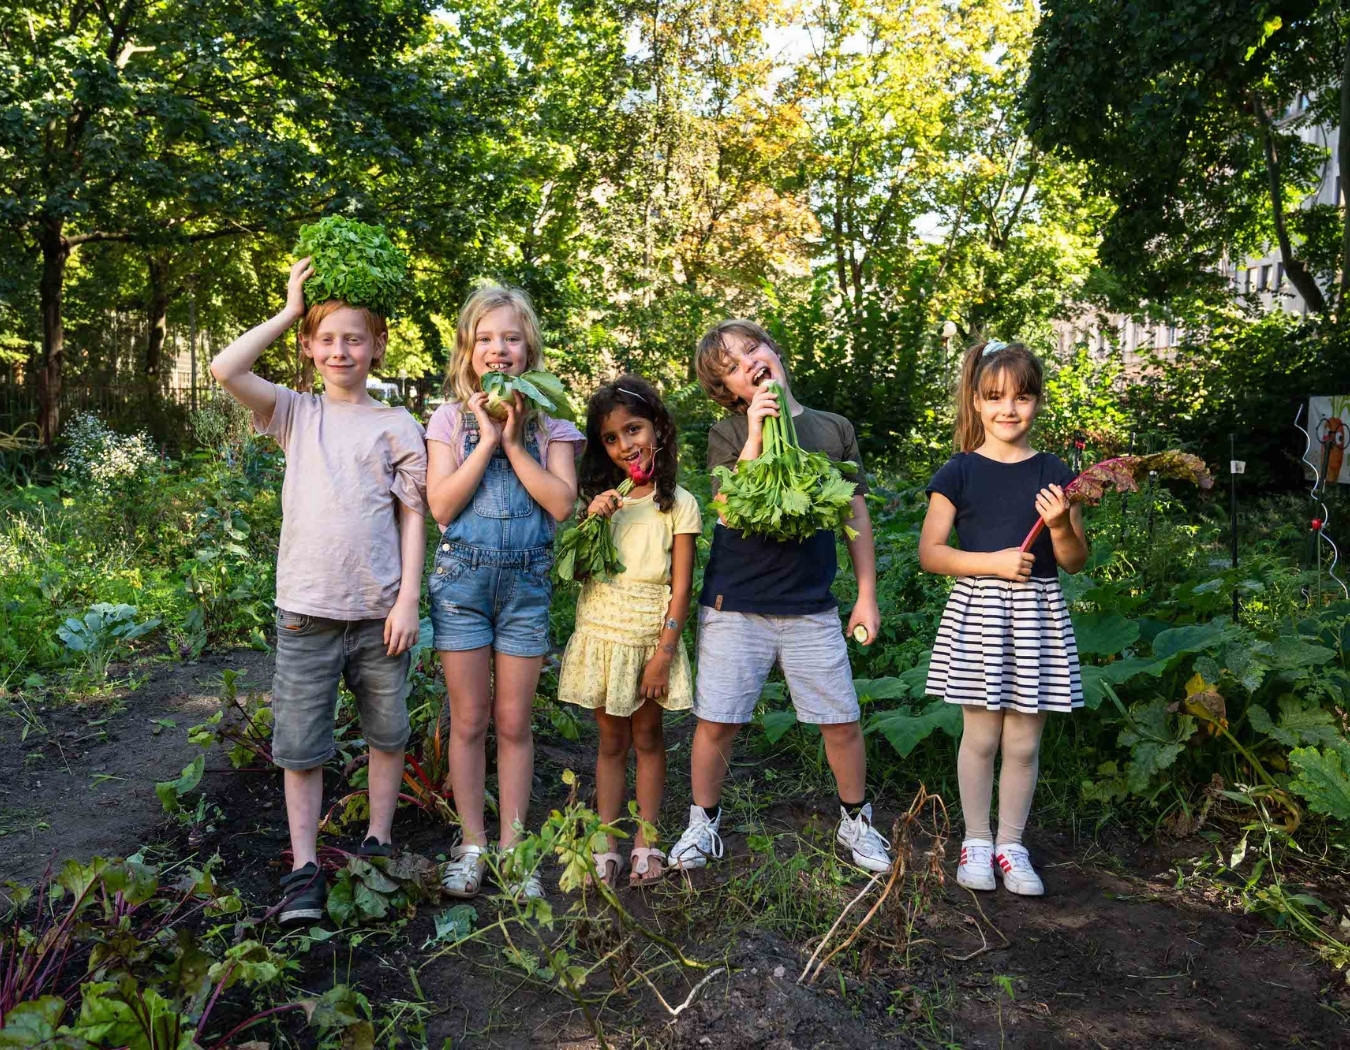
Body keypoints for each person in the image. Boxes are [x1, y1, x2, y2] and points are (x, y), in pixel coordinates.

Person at [209, 257, 427, 924]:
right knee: (300, 745)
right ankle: (304, 867)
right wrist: (288, 310)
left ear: (377, 346)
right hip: (305, 611)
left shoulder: (397, 425)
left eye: (354, 338)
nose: (341, 350)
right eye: (327, 338)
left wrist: (409, 598)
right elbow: (225, 369)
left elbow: (412, 515)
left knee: (387, 735)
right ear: (309, 346)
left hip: (377, 614)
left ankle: (378, 843)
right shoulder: (294, 413)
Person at [669, 319, 892, 874]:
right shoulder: (727, 433)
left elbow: (855, 513)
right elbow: (727, 507)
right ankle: (703, 822)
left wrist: (866, 594)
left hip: (810, 604)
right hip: (736, 602)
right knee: (718, 719)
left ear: (772, 352)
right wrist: (754, 434)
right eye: (731, 368)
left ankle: (856, 821)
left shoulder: (832, 428)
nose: (747, 363)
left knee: (840, 718)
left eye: (751, 350)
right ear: (730, 391)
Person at [425, 285, 583, 900]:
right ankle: (472, 845)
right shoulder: (448, 419)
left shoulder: (553, 423)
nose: (499, 349)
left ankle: (516, 851)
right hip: (461, 582)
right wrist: (486, 438)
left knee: (514, 722)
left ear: (529, 349)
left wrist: (515, 440)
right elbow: (441, 503)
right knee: (468, 720)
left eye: (511, 338)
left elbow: (561, 504)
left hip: (525, 588)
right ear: (469, 353)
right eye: (486, 339)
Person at [917, 339, 1088, 897]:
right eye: (995, 397)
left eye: (1023, 396)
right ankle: (976, 841)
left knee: (1023, 743)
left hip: (1038, 617)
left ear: (1038, 402)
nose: (1009, 409)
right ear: (976, 401)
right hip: (980, 614)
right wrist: (991, 562)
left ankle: (1013, 846)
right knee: (982, 737)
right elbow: (931, 553)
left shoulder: (1055, 471)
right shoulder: (960, 471)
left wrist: (1060, 525)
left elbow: (1075, 560)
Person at [557, 376, 700, 886]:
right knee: (610, 741)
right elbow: (572, 571)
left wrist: (665, 652)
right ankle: (606, 841)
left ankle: (647, 840)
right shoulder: (599, 501)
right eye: (611, 439)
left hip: (647, 637)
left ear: (658, 426)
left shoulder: (678, 503)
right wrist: (590, 519)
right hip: (602, 630)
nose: (625, 446)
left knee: (648, 736)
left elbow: (681, 588)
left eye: (633, 429)